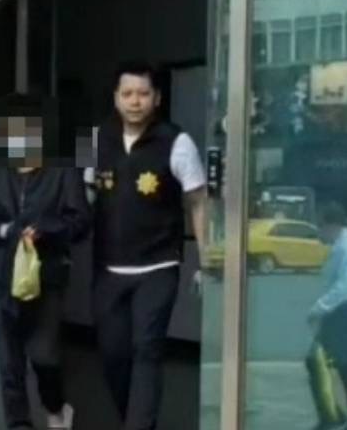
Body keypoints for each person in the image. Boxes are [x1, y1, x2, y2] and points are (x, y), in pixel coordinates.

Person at [88, 61, 208, 430]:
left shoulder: (177, 141)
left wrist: (207, 259)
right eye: (127, 94)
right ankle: (138, 421)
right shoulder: (93, 138)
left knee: (146, 348)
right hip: (108, 269)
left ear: (157, 98)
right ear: (115, 98)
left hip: (158, 266)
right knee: (113, 354)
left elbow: (198, 202)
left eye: (143, 93)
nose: (135, 101)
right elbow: (83, 195)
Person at [0, 96, 92, 430]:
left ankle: (55, 407)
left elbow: (81, 222)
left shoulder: (62, 172)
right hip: (3, 279)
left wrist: (47, 229)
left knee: (44, 356)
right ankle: (18, 423)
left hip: (46, 280)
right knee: (9, 364)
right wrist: (5, 230)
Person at [306, 203, 347, 430]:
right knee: (321, 362)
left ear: (332, 226)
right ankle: (333, 416)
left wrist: (320, 307)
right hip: (340, 314)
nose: (319, 231)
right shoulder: (341, 245)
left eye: (320, 226)